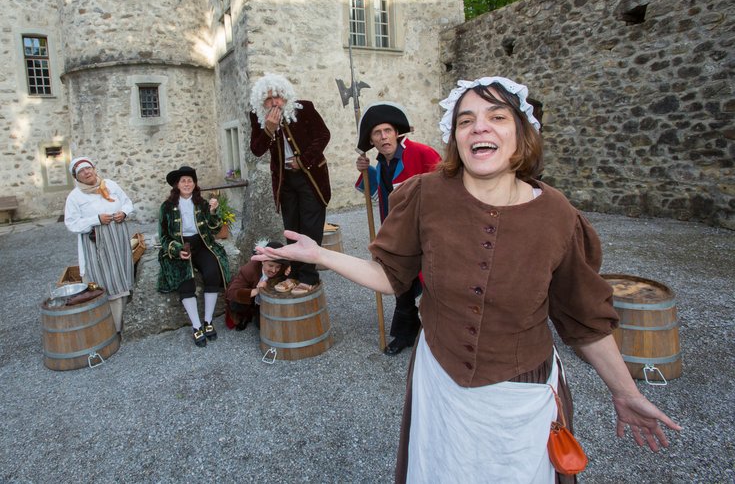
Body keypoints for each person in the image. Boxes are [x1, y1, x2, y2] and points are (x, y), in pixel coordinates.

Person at [254, 77, 681, 483]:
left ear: (522, 132)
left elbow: (585, 319)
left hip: (522, 398)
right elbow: (390, 276)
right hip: (440, 387)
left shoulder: (558, 216)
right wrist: (319, 254)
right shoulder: (426, 195)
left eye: (497, 116)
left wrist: (624, 391)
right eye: (465, 120)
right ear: (456, 137)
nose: (479, 126)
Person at [354, 102, 441, 356]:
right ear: (372, 140)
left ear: (396, 133)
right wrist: (366, 170)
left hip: (427, 235)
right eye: (377, 133)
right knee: (401, 284)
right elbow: (376, 191)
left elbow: (448, 187)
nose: (383, 137)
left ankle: (439, 336)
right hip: (397, 237)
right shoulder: (381, 164)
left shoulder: (422, 153)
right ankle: (406, 334)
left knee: (434, 286)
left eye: (387, 131)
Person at [249, 73, 331, 296]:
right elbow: (257, 149)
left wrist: (302, 160)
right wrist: (268, 129)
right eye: (268, 99)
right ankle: (294, 274)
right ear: (261, 102)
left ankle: (309, 277)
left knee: (310, 228)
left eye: (278, 96)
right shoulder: (259, 118)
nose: (274, 102)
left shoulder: (304, 109)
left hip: (310, 177)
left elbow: (323, 135)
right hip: (285, 181)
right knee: (292, 230)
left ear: (285, 96)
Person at [157, 166, 230, 348]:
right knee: (185, 279)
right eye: (183, 180)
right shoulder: (166, 207)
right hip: (181, 247)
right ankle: (196, 326)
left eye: (190, 180)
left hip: (202, 244)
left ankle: (208, 321)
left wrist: (214, 212)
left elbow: (213, 230)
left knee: (212, 272)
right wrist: (175, 250)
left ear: (195, 184)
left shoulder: (202, 204)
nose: (187, 183)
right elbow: (163, 236)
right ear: (177, 184)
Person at [64, 157, 134, 339]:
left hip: (118, 238)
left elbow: (127, 202)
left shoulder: (109, 184)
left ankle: (127, 321)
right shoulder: (75, 196)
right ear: (76, 177)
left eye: (89, 169)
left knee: (122, 276)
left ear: (94, 169)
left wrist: (124, 212)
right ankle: (110, 328)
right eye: (81, 172)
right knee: (107, 281)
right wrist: (96, 220)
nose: (87, 173)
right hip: (97, 243)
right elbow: (72, 224)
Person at [224, 241, 290, 331]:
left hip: (267, 302)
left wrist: (291, 270)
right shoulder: (249, 270)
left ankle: (257, 313)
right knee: (236, 304)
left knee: (262, 325)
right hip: (250, 300)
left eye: (278, 267)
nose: (274, 270)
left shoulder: (284, 267)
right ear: (263, 261)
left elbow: (298, 264)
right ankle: (245, 315)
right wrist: (256, 290)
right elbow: (231, 293)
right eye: (271, 265)